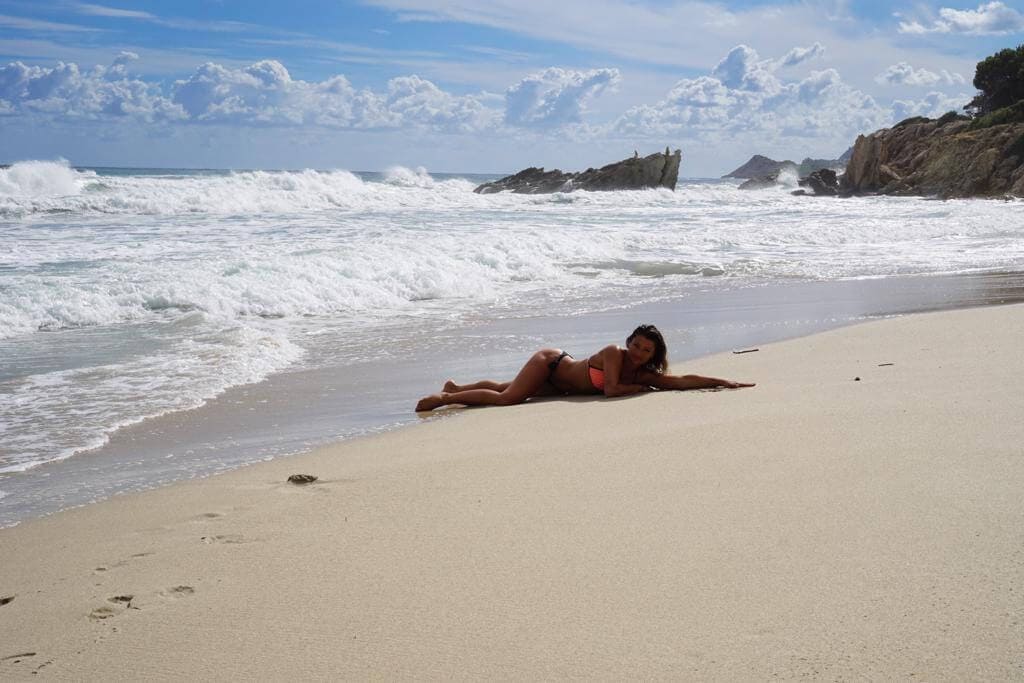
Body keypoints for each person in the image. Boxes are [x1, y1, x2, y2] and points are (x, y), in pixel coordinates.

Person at [415, 323, 754, 411]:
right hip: (551, 363)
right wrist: (637, 387)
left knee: (507, 386)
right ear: (629, 341)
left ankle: (457, 388)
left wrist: (723, 381)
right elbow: (611, 390)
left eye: (646, 350)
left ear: (654, 354)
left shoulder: (643, 372)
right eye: (636, 344)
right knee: (509, 398)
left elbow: (680, 380)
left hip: (563, 386)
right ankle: (445, 399)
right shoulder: (614, 353)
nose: (638, 352)